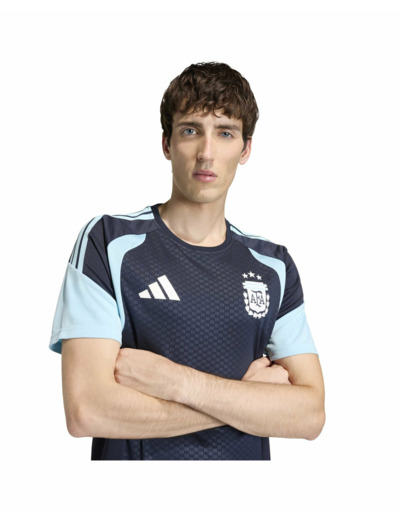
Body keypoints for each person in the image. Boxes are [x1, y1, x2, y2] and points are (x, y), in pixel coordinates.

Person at [49, 62, 325, 460]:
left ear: (245, 149)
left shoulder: (272, 265)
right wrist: (248, 401)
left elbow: (310, 415)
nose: (206, 153)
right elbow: (87, 410)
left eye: (225, 133)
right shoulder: (109, 242)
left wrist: (174, 382)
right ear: (166, 143)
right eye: (191, 131)